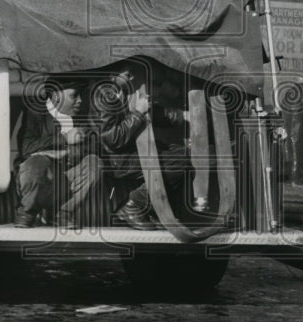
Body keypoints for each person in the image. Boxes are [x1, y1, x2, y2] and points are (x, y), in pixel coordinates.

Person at [96, 64, 188, 231]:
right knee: (179, 161)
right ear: (111, 73)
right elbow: (112, 139)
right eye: (127, 72)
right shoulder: (103, 95)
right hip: (116, 159)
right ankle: (134, 205)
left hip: (131, 152)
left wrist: (182, 116)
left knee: (183, 155)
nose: (132, 76)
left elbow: (153, 113)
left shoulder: (122, 91)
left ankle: (149, 208)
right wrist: (138, 112)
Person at [14, 78, 102, 229]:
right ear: (56, 96)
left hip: (66, 180)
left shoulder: (81, 117)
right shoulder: (35, 112)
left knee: (95, 162)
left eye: (81, 95)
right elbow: (27, 148)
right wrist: (64, 138)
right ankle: (27, 211)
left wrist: (64, 153)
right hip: (40, 181)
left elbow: (93, 147)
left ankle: (63, 213)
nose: (80, 100)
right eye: (74, 95)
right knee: (37, 163)